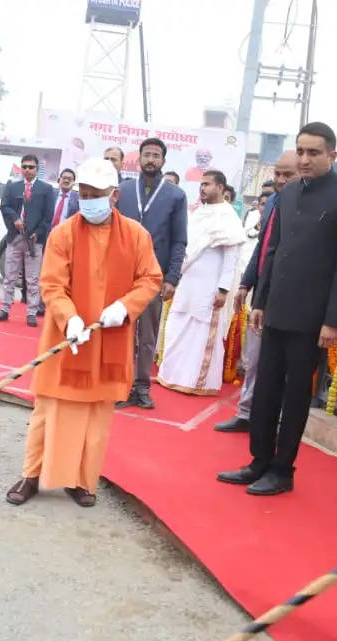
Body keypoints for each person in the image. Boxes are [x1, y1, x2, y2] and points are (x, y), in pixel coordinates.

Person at [218, 122, 337, 496]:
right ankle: (258, 461)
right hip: (276, 313)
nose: (304, 159)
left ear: (332, 156)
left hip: (313, 320)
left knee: (295, 396)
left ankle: (282, 470)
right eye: (300, 151)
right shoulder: (285, 196)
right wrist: (262, 300)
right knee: (266, 389)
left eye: (313, 152)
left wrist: (333, 321)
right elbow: (273, 251)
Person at [5, 157, 162, 508]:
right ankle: (32, 475)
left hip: (110, 339)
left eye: (96, 194)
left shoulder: (137, 235)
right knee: (49, 411)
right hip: (68, 340)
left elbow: (150, 278)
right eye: (84, 193)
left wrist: (125, 307)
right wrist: (70, 318)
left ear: (115, 195)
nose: (88, 200)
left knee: (96, 418)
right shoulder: (63, 233)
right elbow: (51, 284)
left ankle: (80, 480)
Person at [215, 151, 297, 433]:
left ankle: (270, 420)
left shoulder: (302, 206)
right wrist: (245, 285)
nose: (281, 180)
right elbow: (263, 250)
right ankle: (246, 413)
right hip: (260, 294)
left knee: (276, 366)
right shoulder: (272, 202)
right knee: (252, 359)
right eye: (278, 173)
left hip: (287, 298)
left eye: (289, 175)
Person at [113, 137, 188, 410]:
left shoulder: (176, 196)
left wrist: (172, 278)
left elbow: (180, 240)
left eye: (156, 155)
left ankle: (142, 387)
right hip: (122, 275)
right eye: (147, 154)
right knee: (121, 333)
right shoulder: (122, 191)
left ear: (164, 161)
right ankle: (120, 386)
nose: (151, 160)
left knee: (147, 335)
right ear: (139, 158)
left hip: (153, 277)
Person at [157, 169, 245, 395]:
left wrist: (223, 289)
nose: (202, 188)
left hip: (209, 286)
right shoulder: (198, 213)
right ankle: (171, 375)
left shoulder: (227, 216)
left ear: (221, 188)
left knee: (201, 331)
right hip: (187, 283)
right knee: (177, 325)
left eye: (207, 184)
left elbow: (231, 257)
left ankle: (198, 383)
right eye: (201, 185)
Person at [0, 154, 57, 327]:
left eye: (31, 167)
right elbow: (5, 206)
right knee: (10, 276)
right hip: (15, 237)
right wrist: (14, 219)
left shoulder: (46, 189)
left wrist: (38, 232)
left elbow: (48, 216)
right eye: (25, 167)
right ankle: (5, 309)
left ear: (37, 169)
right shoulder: (13, 187)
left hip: (34, 240)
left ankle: (31, 312)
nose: (27, 170)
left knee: (33, 279)